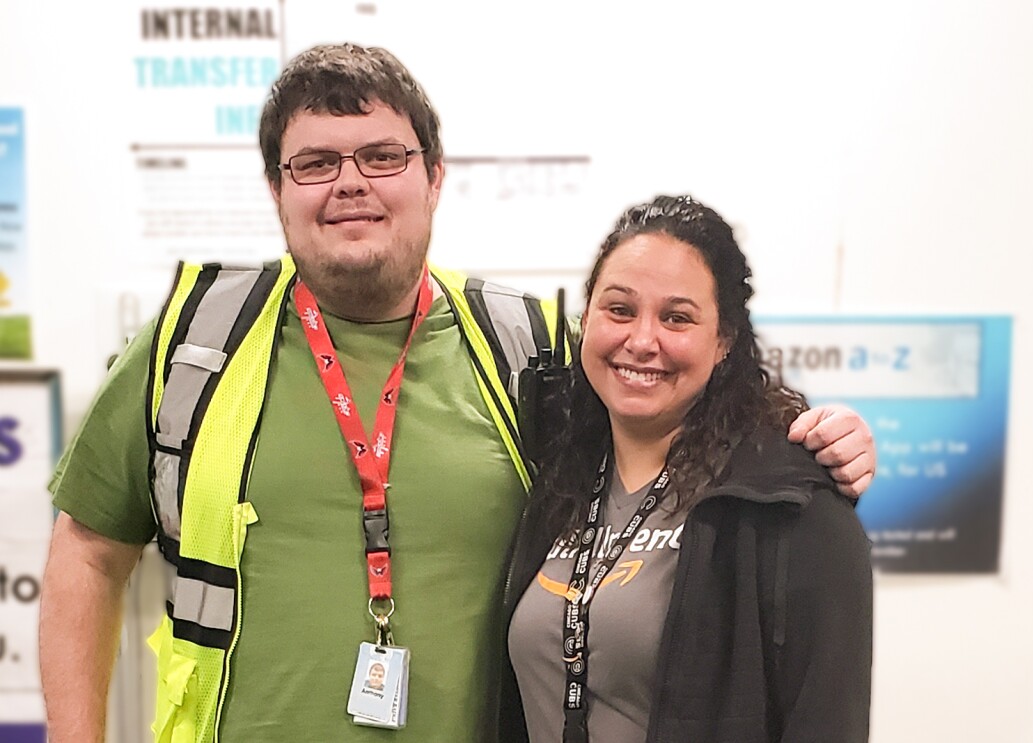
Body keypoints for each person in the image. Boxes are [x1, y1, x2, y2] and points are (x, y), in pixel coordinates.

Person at [38, 45, 875, 743]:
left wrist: (809, 430)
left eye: (382, 156)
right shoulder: (195, 342)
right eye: (315, 162)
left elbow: (665, 407)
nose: (349, 182)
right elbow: (86, 548)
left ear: (434, 177)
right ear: (277, 188)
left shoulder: (526, 347)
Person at [503, 195, 873, 742]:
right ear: (587, 320)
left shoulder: (788, 503)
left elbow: (826, 723)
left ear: (723, 341)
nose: (642, 341)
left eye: (676, 317)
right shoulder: (557, 478)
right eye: (619, 310)